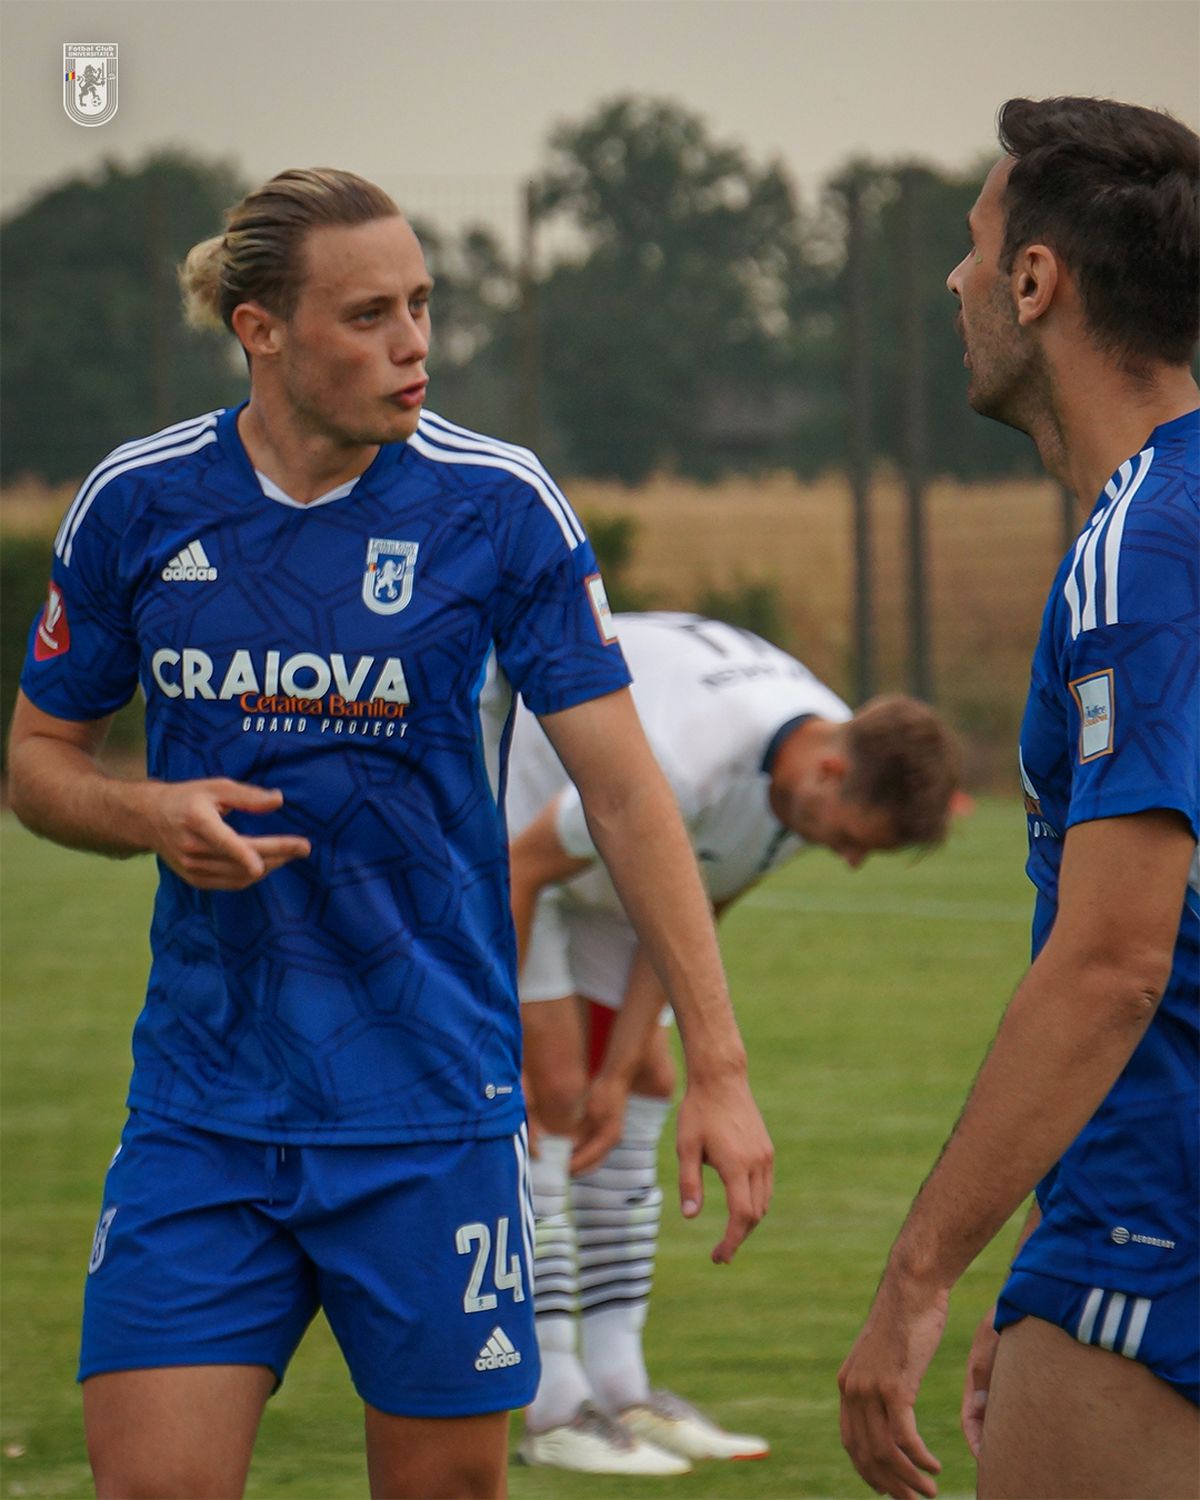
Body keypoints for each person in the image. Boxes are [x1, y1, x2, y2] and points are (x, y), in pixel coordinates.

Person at [8, 169, 773, 1500]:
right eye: (370, 314)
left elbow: (630, 794)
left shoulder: (496, 504)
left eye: (422, 305)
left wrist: (715, 1059)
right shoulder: (139, 502)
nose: (414, 343)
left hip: (429, 1109)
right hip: (205, 1110)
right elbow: (35, 761)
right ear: (261, 329)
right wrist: (147, 815)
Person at [838, 97, 1199, 1500]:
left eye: (976, 245)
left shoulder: (1141, 551)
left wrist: (921, 1275)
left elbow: (1115, 961)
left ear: (1038, 280)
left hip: (1157, 1232)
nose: (956, 279)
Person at [492, 612, 961, 1474]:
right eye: (853, 841)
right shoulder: (688, 760)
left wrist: (628, 1054)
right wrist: (511, 1039)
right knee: (554, 1089)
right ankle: (551, 1400)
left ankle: (620, 1384)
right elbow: (522, 868)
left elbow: (694, 901)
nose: (848, 862)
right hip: (519, 830)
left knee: (644, 1086)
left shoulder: (811, 766)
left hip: (612, 859)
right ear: (828, 773)